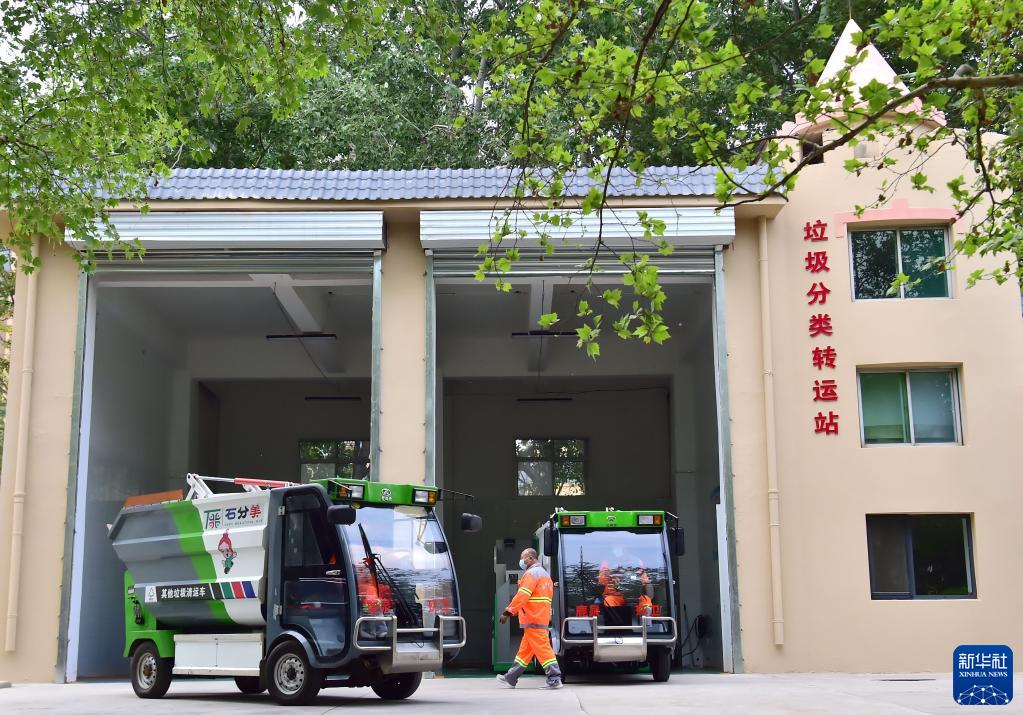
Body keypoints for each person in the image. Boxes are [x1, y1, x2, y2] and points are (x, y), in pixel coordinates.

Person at [496, 548, 563, 689]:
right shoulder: (545, 575)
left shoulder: (531, 574)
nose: (521, 560)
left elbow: (522, 596)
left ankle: (554, 679)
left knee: (543, 649)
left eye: (523, 557)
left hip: (533, 618)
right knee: (525, 651)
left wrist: (507, 612)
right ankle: (511, 677)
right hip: (540, 617)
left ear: (531, 558)